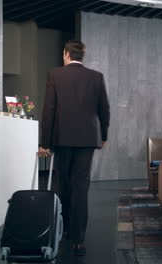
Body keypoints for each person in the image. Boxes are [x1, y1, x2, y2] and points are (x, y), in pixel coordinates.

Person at [38, 40, 110, 256]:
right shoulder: (96, 77)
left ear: (66, 54)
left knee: (63, 185)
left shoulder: (55, 75)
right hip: (87, 139)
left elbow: (48, 110)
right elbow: (104, 109)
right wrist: (104, 135)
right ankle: (78, 239)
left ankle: (63, 231)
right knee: (81, 187)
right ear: (82, 55)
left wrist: (45, 142)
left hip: (62, 138)